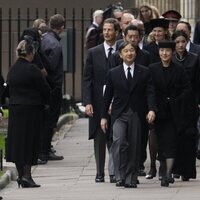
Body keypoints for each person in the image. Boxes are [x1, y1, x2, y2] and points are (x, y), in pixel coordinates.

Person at [100, 41, 156, 188]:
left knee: (135, 146)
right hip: (119, 114)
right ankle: (119, 175)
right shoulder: (113, 73)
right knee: (118, 142)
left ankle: (131, 177)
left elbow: (150, 92)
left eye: (132, 50)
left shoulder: (144, 71)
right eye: (126, 51)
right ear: (120, 54)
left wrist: (151, 109)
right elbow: (106, 97)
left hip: (137, 114)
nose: (129, 53)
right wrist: (103, 117)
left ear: (135, 53)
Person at [5, 37, 51, 188]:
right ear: (30, 53)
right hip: (32, 110)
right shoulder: (33, 69)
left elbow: (7, 91)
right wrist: (45, 102)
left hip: (16, 109)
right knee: (30, 142)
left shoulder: (12, 69)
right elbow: (45, 88)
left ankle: (20, 175)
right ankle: (27, 175)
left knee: (18, 142)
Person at [149, 40, 191, 187]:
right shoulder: (152, 69)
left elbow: (187, 89)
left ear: (172, 53)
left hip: (174, 112)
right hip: (158, 112)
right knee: (160, 143)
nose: (164, 53)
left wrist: (176, 100)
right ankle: (163, 169)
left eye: (167, 51)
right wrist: (152, 108)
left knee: (171, 142)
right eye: (162, 51)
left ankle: (168, 174)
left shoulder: (179, 69)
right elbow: (150, 90)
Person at [83, 18, 120, 183]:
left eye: (110, 30)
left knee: (115, 137)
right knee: (99, 137)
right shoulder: (93, 52)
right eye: (104, 30)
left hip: (117, 101)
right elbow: (87, 79)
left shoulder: (122, 51)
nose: (106, 33)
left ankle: (114, 172)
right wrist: (88, 102)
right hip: (98, 102)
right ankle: (99, 172)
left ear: (116, 32)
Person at [171, 30, 200, 181]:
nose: (180, 45)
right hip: (174, 103)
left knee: (189, 136)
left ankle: (188, 171)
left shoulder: (195, 59)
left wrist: (197, 102)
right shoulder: (171, 59)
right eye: (177, 42)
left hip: (190, 104)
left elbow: (198, 82)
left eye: (183, 41)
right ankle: (176, 168)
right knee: (176, 136)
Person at [40, 14, 65, 161]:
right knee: (50, 120)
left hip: (47, 87)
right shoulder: (54, 44)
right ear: (61, 27)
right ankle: (45, 150)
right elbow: (51, 67)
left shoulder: (44, 38)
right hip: (52, 87)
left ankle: (44, 149)